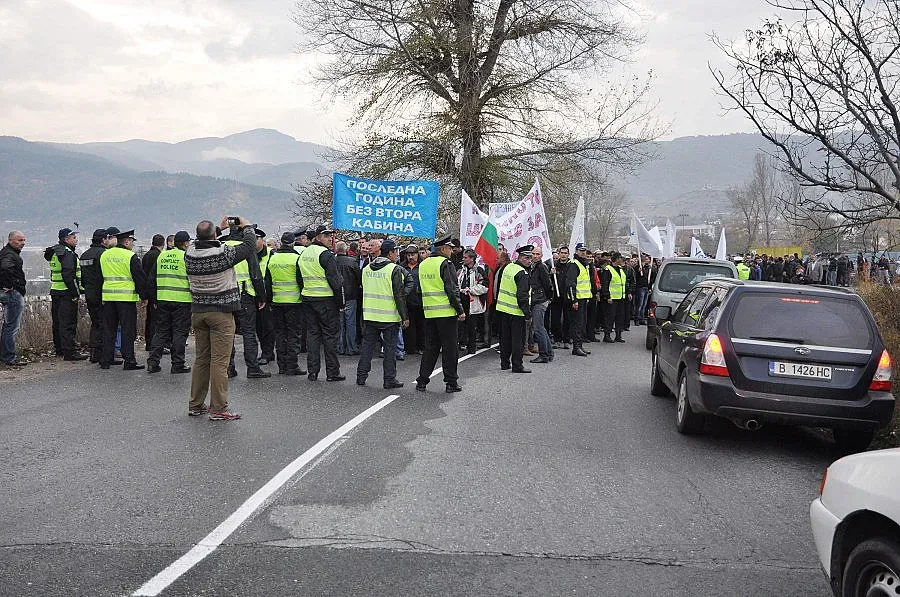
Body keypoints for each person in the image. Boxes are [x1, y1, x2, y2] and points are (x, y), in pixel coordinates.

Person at [184, 216, 257, 420]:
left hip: (198, 311)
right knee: (219, 362)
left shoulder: (189, 253)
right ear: (215, 236)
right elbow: (249, 246)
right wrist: (247, 226)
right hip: (221, 312)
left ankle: (196, 404)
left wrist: (218, 228)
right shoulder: (223, 254)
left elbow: (202, 239)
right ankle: (219, 408)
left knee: (201, 359)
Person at [356, 239, 408, 389]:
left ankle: (361, 376)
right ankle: (389, 379)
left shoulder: (366, 269)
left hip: (370, 315)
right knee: (390, 350)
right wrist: (405, 317)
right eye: (396, 251)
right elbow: (399, 295)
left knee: (367, 348)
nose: (397, 254)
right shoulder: (394, 269)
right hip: (389, 317)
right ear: (390, 253)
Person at [416, 235, 465, 393]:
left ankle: (422, 380)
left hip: (429, 312)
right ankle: (451, 382)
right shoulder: (445, 263)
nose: (451, 251)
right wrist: (460, 310)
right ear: (443, 249)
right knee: (450, 349)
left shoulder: (424, 264)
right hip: (446, 312)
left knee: (431, 348)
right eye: (450, 248)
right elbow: (452, 289)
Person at [298, 224, 345, 381]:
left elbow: (299, 278)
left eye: (330, 236)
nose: (329, 238)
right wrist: (341, 304)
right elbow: (335, 281)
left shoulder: (304, 254)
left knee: (312, 335)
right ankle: (332, 372)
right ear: (317, 237)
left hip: (308, 299)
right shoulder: (326, 254)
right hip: (325, 300)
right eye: (326, 236)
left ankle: (313, 372)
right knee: (330, 336)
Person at [224, 227, 269, 379]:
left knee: (227, 332)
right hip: (245, 296)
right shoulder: (247, 249)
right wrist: (262, 297)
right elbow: (255, 275)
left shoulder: (221, 247)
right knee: (249, 332)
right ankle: (252, 368)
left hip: (225, 295)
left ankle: (229, 368)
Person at [99, 229, 147, 370]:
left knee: (109, 329)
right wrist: (144, 296)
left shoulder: (104, 255)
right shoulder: (131, 256)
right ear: (126, 242)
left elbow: (99, 276)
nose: (132, 244)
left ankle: (105, 360)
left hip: (108, 297)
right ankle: (129, 361)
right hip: (126, 299)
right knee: (127, 330)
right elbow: (140, 278)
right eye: (131, 241)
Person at [146, 231, 193, 374]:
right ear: (185, 243)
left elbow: (151, 279)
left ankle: (153, 362)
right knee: (179, 332)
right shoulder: (185, 256)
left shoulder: (162, 256)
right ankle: (177, 364)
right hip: (182, 300)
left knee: (160, 332)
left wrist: (153, 299)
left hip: (163, 300)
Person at [267, 231, 306, 375]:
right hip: (294, 302)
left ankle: (281, 365)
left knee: (280, 334)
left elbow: (268, 281)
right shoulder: (297, 259)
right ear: (292, 243)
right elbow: (301, 281)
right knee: (293, 335)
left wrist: (269, 300)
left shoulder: (273, 258)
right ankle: (292, 365)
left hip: (277, 302)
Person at [44, 227, 86, 360]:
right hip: (66, 293)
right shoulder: (67, 253)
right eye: (74, 237)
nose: (76, 240)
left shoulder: (55, 252)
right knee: (68, 323)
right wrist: (75, 293)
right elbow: (69, 274)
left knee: (58, 322)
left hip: (55, 290)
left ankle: (60, 349)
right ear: (66, 239)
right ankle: (70, 352)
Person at [497, 245, 533, 373]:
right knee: (518, 340)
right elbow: (522, 296)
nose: (530, 261)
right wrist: (527, 314)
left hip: (502, 309)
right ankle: (517, 365)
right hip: (516, 311)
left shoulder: (509, 267)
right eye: (527, 258)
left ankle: (504, 363)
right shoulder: (522, 273)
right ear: (521, 258)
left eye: (531, 258)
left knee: (505, 339)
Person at [79, 229, 110, 363]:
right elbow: (105, 275)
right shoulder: (103, 254)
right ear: (103, 240)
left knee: (95, 323)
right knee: (104, 323)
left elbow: (83, 277)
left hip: (89, 293)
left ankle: (94, 353)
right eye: (107, 238)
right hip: (101, 293)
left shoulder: (85, 255)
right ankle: (102, 354)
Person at [0, 231, 27, 367]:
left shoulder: (7, 253)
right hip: (13, 293)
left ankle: (6, 355)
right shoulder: (9, 255)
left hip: (11, 292)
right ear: (10, 240)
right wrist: (9, 285)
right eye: (19, 240)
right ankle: (9, 357)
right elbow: (5, 268)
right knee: (11, 326)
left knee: (8, 325)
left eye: (23, 240)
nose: (22, 243)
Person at [457, 249, 488, 355]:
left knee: (471, 326)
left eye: (465, 257)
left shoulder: (479, 270)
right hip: (462, 301)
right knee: (461, 325)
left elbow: (484, 286)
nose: (463, 259)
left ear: (472, 259)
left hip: (473, 302)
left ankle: (472, 347)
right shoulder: (461, 271)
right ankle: (461, 343)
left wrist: (470, 290)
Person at [335, 240, 362, 356]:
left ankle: (340, 347)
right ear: (346, 250)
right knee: (350, 322)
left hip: (336, 296)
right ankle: (352, 347)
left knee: (340, 323)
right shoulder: (352, 262)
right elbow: (359, 278)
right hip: (351, 295)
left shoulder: (332, 262)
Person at [566, 243, 593, 356]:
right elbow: (570, 283)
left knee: (582, 323)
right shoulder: (574, 264)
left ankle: (580, 345)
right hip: (576, 299)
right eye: (581, 250)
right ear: (576, 251)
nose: (583, 252)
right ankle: (576, 347)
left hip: (583, 298)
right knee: (577, 323)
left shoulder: (584, 264)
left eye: (584, 251)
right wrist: (574, 300)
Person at [528, 246, 554, 363]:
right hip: (538, 299)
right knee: (540, 328)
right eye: (533, 254)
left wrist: (548, 298)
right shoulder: (534, 267)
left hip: (540, 300)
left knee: (538, 328)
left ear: (541, 255)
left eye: (537, 254)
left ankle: (544, 354)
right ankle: (548, 353)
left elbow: (548, 284)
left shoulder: (541, 267)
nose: (535, 256)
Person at [254, 229, 276, 364]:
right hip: (253, 295)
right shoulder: (249, 254)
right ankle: (266, 351)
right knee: (258, 327)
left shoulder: (271, 254)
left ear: (262, 240)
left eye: (257, 238)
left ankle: (267, 353)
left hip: (268, 296)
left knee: (267, 326)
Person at [141, 234, 165, 351]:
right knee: (156, 321)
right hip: (155, 292)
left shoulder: (146, 256)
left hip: (147, 291)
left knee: (149, 319)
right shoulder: (159, 256)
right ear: (163, 244)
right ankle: (154, 344)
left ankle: (149, 342)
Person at [402, 244, 425, 355]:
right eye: (408, 255)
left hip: (420, 300)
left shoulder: (422, 266)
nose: (411, 257)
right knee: (408, 325)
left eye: (413, 255)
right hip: (407, 300)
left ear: (417, 255)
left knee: (421, 325)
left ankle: (421, 346)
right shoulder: (402, 267)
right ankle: (410, 347)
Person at [601, 252, 629, 343]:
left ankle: (618, 335)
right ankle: (607, 335)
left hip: (621, 297)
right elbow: (605, 284)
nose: (622, 260)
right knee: (610, 317)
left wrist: (628, 293)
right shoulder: (608, 269)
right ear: (616, 259)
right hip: (612, 298)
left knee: (620, 317)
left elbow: (623, 283)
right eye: (620, 258)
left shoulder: (621, 269)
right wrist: (607, 296)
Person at [550, 246, 572, 348]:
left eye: (565, 253)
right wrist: (551, 274)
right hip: (556, 296)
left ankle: (566, 339)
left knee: (567, 319)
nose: (563, 255)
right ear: (558, 254)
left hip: (567, 296)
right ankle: (557, 338)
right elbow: (549, 281)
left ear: (568, 254)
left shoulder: (571, 266)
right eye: (561, 253)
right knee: (555, 319)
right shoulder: (554, 265)